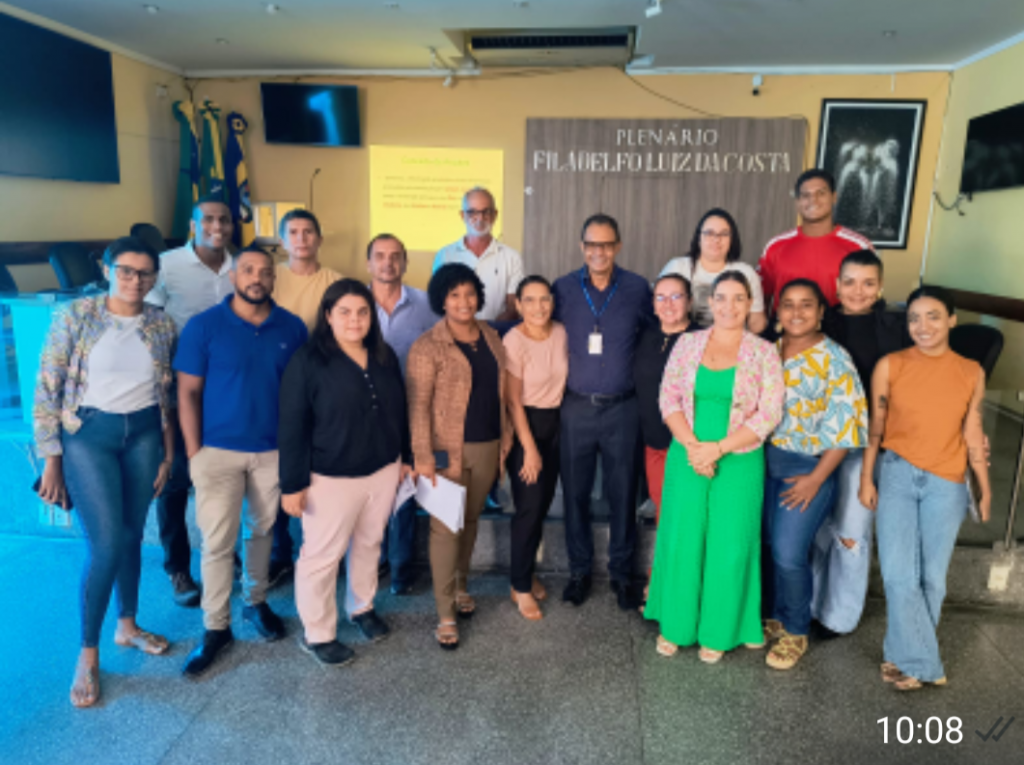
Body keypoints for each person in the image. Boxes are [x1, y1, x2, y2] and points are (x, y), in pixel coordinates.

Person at [35, 236, 177, 707]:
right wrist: (51, 460)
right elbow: (48, 389)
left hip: (144, 434)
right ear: (108, 270)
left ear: (154, 278)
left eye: (145, 273)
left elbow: (166, 393)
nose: (136, 280)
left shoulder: (161, 323)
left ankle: (128, 626)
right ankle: (88, 653)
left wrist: (168, 453)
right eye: (126, 271)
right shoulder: (74, 316)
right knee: (107, 543)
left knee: (133, 533)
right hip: (88, 436)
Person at [174, 246, 308, 678]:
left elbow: (300, 393)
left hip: (272, 451)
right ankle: (216, 627)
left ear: (274, 279)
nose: (257, 278)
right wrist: (194, 453)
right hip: (216, 451)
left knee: (263, 531)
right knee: (217, 543)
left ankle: (256, 602)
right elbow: (187, 392)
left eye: (265, 272)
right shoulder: (204, 326)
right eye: (247, 270)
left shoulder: (292, 327)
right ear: (233, 277)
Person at [646, 272, 784, 663]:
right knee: (683, 537)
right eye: (721, 297)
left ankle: (720, 630)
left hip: (739, 459)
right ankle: (676, 624)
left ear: (750, 303)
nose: (729, 306)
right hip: (687, 454)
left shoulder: (764, 352)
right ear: (710, 302)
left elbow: (769, 413)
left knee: (730, 542)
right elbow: (668, 398)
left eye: (739, 298)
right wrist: (695, 449)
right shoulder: (687, 344)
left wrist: (718, 449)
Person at [860, 285, 991, 691]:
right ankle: (923, 664)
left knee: (933, 578)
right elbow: (875, 427)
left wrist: (985, 487)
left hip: (947, 482)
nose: (922, 326)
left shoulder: (971, 371)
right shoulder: (891, 365)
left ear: (951, 320)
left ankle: (901, 655)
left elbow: (972, 429)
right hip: (897, 473)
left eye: (933, 316)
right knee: (899, 573)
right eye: (914, 318)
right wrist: (866, 477)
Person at [279, 279, 413, 667]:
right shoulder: (308, 361)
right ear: (328, 316)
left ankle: (362, 607)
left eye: (362, 312)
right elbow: (291, 425)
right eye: (345, 312)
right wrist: (292, 484)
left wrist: (405, 456)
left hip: (383, 470)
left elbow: (399, 408)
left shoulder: (384, 356)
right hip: (329, 477)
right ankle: (318, 633)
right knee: (322, 557)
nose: (355, 320)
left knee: (370, 543)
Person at [762, 279, 868, 671]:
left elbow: (846, 427)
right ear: (777, 312)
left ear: (822, 311)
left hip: (806, 467)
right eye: (788, 304)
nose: (796, 312)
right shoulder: (768, 352)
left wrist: (817, 478)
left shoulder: (835, 358)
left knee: (789, 553)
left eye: (806, 304)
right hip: (762, 464)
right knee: (768, 546)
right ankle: (776, 615)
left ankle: (796, 629)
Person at [406, 264, 511, 649]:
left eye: (469, 293)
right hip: (444, 452)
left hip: (488, 446)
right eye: (454, 295)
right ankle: (445, 613)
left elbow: (501, 391)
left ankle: (462, 586)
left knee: (469, 521)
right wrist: (422, 455)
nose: (463, 302)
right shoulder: (427, 346)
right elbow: (418, 406)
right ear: (441, 300)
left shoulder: (492, 336)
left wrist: (506, 439)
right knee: (445, 529)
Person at [553, 213, 653, 610]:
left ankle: (622, 575)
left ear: (618, 247)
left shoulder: (637, 288)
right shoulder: (563, 288)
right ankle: (579, 572)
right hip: (576, 408)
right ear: (582, 247)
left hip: (623, 409)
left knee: (622, 494)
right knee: (575, 494)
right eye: (592, 244)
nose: (599, 251)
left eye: (607, 244)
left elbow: (653, 335)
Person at [810, 250, 909, 636]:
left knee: (851, 532)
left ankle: (839, 617)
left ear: (880, 286)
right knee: (818, 529)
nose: (858, 291)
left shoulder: (897, 328)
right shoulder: (820, 319)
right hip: (819, 442)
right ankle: (812, 604)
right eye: (849, 282)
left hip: (868, 447)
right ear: (837, 285)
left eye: (868, 283)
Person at [146, 197, 234, 607]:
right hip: (179, 386)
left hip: (227, 390)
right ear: (193, 224)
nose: (217, 226)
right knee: (177, 478)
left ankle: (222, 550)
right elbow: (148, 323)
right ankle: (177, 567)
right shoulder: (166, 266)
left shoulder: (239, 267)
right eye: (209, 219)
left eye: (224, 220)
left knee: (223, 475)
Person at [268, 209, 342, 586]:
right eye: (293, 232)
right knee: (275, 469)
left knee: (315, 468)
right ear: (283, 240)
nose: (301, 238)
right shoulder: (270, 277)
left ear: (319, 239)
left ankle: (320, 552)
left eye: (308, 231)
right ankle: (278, 552)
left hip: (319, 385)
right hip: (272, 382)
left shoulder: (334, 281)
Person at [367, 233, 438, 595]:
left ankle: (400, 568)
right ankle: (373, 560)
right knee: (367, 489)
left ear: (405, 262)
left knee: (404, 487)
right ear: (369, 263)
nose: (388, 263)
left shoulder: (425, 304)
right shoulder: (355, 303)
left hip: (411, 410)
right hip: (363, 414)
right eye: (380, 256)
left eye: (395, 256)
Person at [504, 275, 569, 621]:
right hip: (526, 427)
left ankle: (525, 573)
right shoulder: (514, 340)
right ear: (518, 304)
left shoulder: (561, 332)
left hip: (557, 425)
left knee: (541, 505)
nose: (538, 307)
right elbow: (513, 402)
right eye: (529, 300)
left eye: (544, 299)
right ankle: (520, 586)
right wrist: (529, 449)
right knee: (528, 508)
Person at [757, 169, 874, 312]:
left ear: (834, 197)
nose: (813, 200)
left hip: (841, 326)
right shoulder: (775, 246)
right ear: (798, 202)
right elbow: (761, 299)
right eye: (806, 195)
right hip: (786, 326)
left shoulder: (859, 246)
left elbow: (869, 297)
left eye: (821, 193)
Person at [633, 274, 698, 521]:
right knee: (664, 508)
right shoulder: (644, 336)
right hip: (653, 443)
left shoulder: (701, 339)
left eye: (676, 296)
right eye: (660, 297)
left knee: (687, 511)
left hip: (689, 444)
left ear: (689, 301)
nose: (668, 304)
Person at [660, 208, 767, 333]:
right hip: (682, 339)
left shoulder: (747, 273)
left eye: (724, 234)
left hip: (732, 341)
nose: (716, 239)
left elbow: (756, 322)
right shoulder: (677, 267)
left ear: (732, 239)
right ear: (699, 237)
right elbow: (658, 309)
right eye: (709, 233)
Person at [432, 187, 523, 322]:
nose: (480, 218)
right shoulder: (445, 255)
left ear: (495, 215)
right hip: (454, 332)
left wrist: (488, 330)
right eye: (472, 212)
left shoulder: (512, 257)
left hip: (497, 332)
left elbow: (513, 307)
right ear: (463, 215)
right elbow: (439, 302)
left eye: (486, 212)